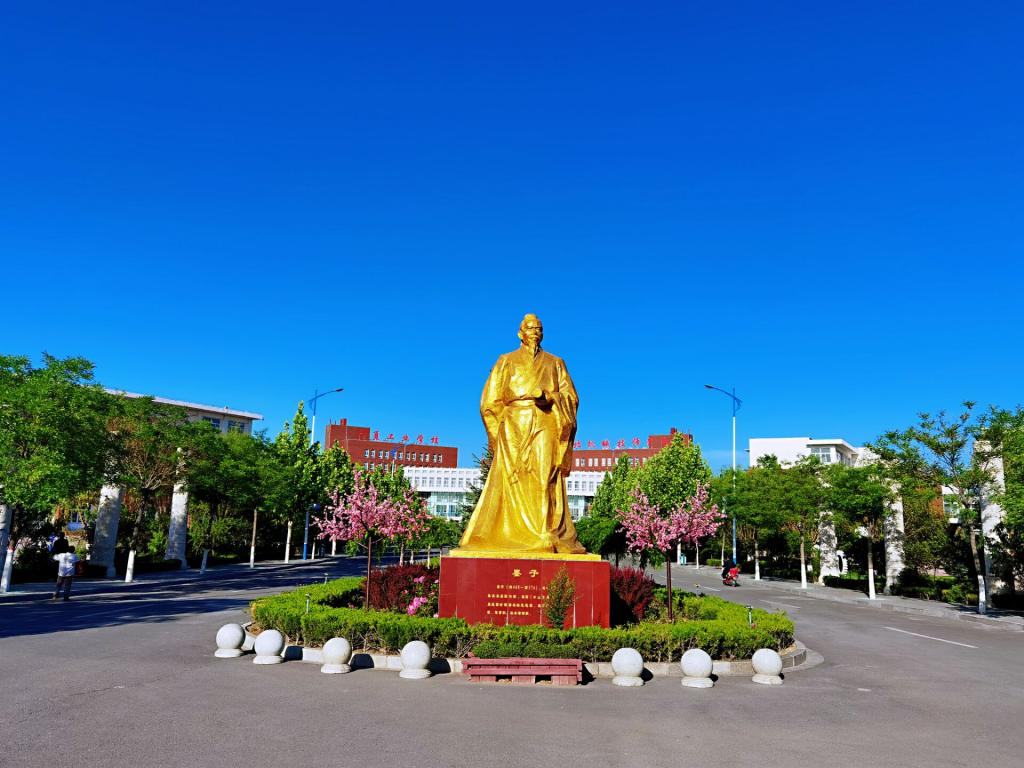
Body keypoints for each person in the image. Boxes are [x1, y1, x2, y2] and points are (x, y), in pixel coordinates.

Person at [458, 314, 586, 554]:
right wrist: (497, 434)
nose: (535, 332)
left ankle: (544, 532)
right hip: (513, 423)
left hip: (545, 419)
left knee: (545, 475)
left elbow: (571, 396)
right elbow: (489, 402)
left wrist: (550, 397)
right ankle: (510, 536)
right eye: (530, 328)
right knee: (512, 478)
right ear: (520, 333)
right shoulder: (506, 361)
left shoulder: (555, 362)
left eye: (539, 328)